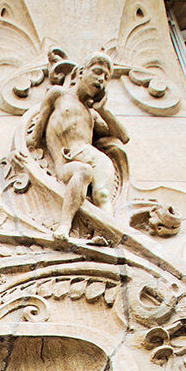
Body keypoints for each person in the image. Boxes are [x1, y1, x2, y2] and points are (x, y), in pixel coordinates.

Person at [29, 54, 128, 240]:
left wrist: (103, 110)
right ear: (81, 72)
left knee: (103, 195)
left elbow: (123, 136)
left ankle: (106, 235)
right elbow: (35, 135)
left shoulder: (93, 113)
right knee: (83, 171)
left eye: (106, 77)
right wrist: (26, 153)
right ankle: (65, 226)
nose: (101, 79)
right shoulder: (58, 95)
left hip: (96, 157)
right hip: (67, 159)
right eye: (97, 72)